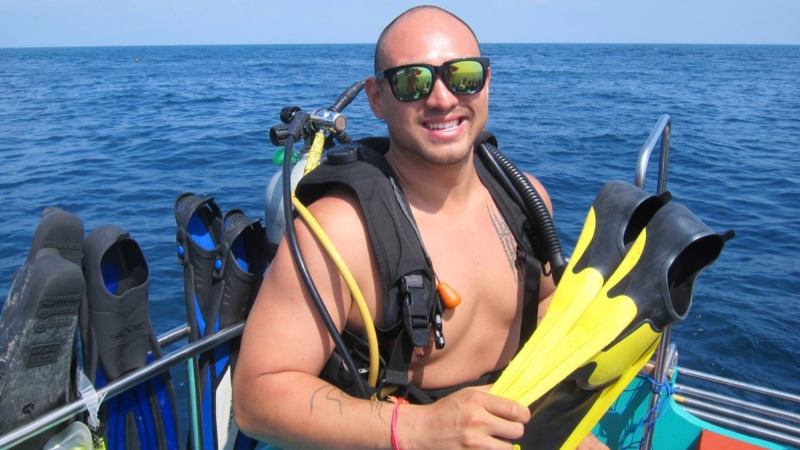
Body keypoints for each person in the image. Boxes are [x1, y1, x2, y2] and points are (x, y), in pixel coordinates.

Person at [235, 5, 607, 449]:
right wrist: (419, 428)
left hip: (516, 419)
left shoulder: (526, 199)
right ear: (377, 98)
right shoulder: (340, 232)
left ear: (487, 82)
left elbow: (542, 303)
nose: (443, 99)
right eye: (413, 82)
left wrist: (597, 338)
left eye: (463, 76)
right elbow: (256, 398)